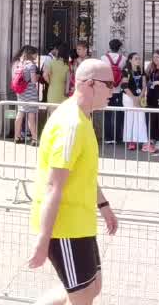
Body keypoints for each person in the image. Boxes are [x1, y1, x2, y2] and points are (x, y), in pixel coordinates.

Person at [26, 58, 119, 304]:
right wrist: (43, 240)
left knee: (92, 287)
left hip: (80, 222)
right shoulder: (72, 124)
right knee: (82, 297)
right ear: (90, 84)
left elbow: (83, 172)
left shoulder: (83, 117)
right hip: (65, 226)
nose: (113, 90)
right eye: (109, 84)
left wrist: (104, 205)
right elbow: (53, 186)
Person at [121, 52, 152, 153]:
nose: (138, 60)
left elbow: (144, 85)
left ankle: (143, 142)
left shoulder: (141, 71)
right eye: (136, 58)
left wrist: (140, 96)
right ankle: (131, 141)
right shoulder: (126, 71)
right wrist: (133, 98)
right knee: (130, 118)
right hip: (128, 97)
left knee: (140, 118)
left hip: (138, 97)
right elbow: (124, 86)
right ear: (130, 60)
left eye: (139, 59)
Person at [12, 46, 42, 146]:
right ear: (31, 54)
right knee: (31, 116)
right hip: (30, 93)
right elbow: (33, 81)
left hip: (21, 93)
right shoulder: (31, 66)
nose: (36, 56)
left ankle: (17, 136)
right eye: (35, 54)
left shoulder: (19, 64)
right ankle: (34, 138)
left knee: (20, 113)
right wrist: (37, 76)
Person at [100, 40, 125, 144]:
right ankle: (118, 137)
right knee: (119, 113)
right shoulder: (123, 59)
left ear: (109, 46)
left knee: (107, 113)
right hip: (118, 89)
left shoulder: (103, 58)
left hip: (107, 89)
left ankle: (108, 137)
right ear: (119, 47)